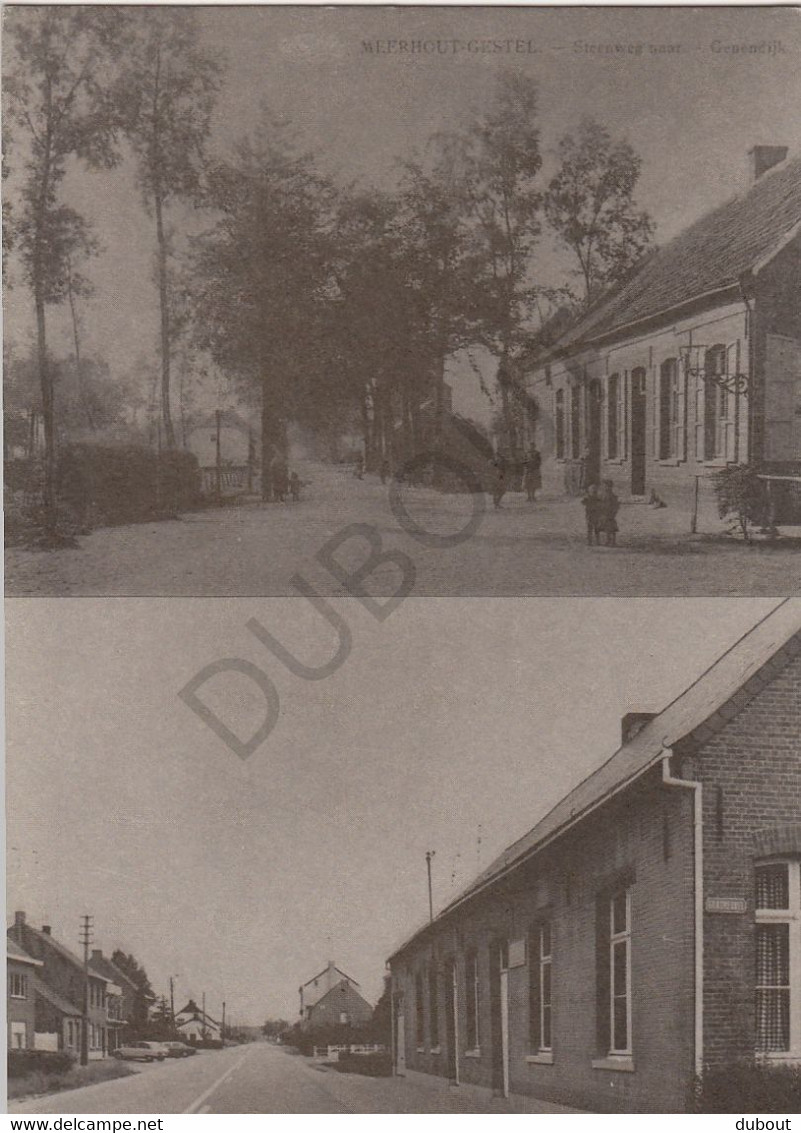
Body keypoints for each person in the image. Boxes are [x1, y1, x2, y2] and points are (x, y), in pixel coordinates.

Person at [597, 479, 620, 546]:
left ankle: (613, 541)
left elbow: (615, 505)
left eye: (606, 486)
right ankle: (607, 541)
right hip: (604, 513)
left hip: (610, 514)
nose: (605, 487)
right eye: (604, 486)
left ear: (610, 487)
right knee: (605, 527)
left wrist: (614, 512)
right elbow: (599, 502)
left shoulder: (612, 495)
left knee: (611, 528)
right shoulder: (602, 494)